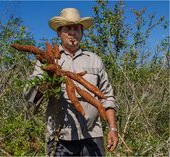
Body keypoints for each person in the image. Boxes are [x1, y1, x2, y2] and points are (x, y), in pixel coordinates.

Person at [24, 8, 118, 156]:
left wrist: (113, 129)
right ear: (59, 33)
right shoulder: (47, 61)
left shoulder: (94, 60)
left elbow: (107, 97)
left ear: (82, 33)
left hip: (92, 135)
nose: (72, 32)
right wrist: (48, 81)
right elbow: (31, 96)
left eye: (76, 28)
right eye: (67, 28)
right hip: (60, 137)